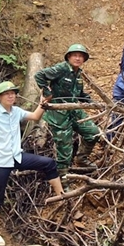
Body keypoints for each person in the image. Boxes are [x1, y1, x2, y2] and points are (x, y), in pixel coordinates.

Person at [0, 80, 61, 246]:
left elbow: (35, 117)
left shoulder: (16, 111)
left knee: (49, 163)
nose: (11, 95)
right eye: (7, 93)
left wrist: (43, 103)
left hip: (17, 157)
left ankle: (61, 197)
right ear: (0, 97)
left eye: (13, 93)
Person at [35, 43, 102, 172]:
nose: (78, 58)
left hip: (74, 110)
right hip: (58, 114)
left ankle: (81, 159)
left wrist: (93, 102)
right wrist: (47, 93)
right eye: (75, 56)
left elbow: (79, 93)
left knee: (93, 133)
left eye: (81, 56)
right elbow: (39, 75)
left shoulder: (78, 73)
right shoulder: (61, 69)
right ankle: (63, 182)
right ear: (69, 57)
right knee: (64, 150)